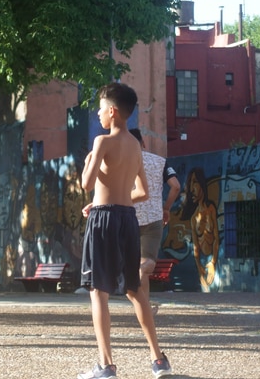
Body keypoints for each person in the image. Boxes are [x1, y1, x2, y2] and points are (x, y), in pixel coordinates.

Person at [79, 83, 172, 379]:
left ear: (112, 111)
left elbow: (86, 184)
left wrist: (90, 162)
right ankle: (159, 361)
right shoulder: (135, 146)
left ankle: (106, 366)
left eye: (100, 108)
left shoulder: (102, 142)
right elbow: (143, 191)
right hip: (128, 218)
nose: (98, 113)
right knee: (135, 290)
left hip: (104, 219)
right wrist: (115, 200)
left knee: (98, 291)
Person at [129, 128, 181, 312]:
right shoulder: (160, 162)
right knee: (145, 263)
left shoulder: (123, 162)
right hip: (154, 219)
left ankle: (144, 307)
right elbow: (175, 186)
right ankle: (145, 307)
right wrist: (166, 208)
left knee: (136, 266)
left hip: (129, 218)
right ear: (143, 143)